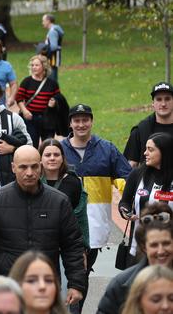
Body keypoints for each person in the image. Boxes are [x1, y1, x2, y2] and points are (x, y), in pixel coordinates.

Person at [0, 146, 86, 307]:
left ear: (41, 166)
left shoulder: (59, 201)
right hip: (7, 288)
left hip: (45, 288)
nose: (30, 172)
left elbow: (72, 245)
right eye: (23, 167)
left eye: (34, 166)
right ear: (13, 168)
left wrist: (76, 284)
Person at [61, 103, 131, 293]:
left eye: (85, 120)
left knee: (82, 274)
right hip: (62, 222)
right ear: (70, 124)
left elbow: (126, 178)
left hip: (94, 225)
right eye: (77, 120)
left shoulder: (107, 149)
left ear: (92, 122)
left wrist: (128, 201)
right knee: (67, 273)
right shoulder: (59, 150)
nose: (81, 124)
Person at [98, 203, 173, 313]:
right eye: (154, 245)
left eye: (166, 243)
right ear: (144, 247)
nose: (160, 251)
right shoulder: (120, 285)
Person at [119, 132, 173, 260]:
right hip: (139, 248)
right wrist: (125, 211)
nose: (145, 153)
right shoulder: (137, 174)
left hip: (168, 249)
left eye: (150, 149)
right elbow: (125, 202)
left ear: (164, 152)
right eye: (145, 149)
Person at [39, 138, 88, 245]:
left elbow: (81, 217)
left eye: (56, 155)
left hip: (67, 241)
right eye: (47, 155)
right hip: (39, 242)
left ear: (62, 158)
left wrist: (82, 248)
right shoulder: (33, 182)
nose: (52, 158)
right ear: (40, 159)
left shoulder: (74, 182)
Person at [124, 82, 173, 167]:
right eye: (159, 99)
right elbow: (130, 166)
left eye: (167, 99)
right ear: (153, 103)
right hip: (148, 179)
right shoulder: (140, 130)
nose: (163, 104)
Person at [16, 55, 61, 147]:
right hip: (31, 117)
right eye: (32, 65)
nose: (34, 67)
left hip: (48, 118)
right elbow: (19, 98)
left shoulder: (52, 83)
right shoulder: (27, 81)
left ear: (44, 67)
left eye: (36, 65)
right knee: (31, 144)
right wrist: (24, 111)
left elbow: (58, 97)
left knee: (48, 145)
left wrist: (54, 102)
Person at [41, 14, 64, 82]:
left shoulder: (52, 31)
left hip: (52, 58)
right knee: (52, 77)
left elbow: (54, 47)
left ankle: (53, 92)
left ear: (48, 21)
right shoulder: (53, 30)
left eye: (43, 21)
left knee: (51, 78)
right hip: (53, 57)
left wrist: (43, 49)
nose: (42, 23)